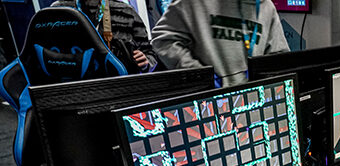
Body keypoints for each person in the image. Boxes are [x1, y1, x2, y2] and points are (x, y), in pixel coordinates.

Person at [151, 0, 289, 87]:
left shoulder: (267, 7)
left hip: (252, 100)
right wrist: (201, 76)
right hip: (207, 101)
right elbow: (162, 40)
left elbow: (279, 58)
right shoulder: (193, 3)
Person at [51, 0, 157, 72]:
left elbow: (150, 54)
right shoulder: (58, 10)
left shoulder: (126, 11)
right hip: (74, 89)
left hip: (119, 90)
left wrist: (146, 61)